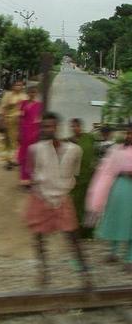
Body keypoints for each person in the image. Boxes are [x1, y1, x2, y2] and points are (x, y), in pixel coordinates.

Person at [26, 112, 91, 288]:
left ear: (58, 127)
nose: (49, 129)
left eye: (52, 125)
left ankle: (84, 274)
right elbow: (31, 173)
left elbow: (74, 174)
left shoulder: (74, 150)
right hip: (41, 196)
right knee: (38, 238)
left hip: (63, 198)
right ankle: (43, 272)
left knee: (72, 237)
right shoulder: (35, 149)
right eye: (45, 126)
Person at [85, 125, 132, 272]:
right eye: (128, 133)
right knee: (116, 219)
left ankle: (130, 258)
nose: (129, 136)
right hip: (118, 187)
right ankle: (113, 252)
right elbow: (106, 169)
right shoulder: (117, 150)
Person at [69, 118, 96, 238]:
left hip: (89, 177)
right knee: (75, 204)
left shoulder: (89, 138)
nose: (75, 128)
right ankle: (76, 230)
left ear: (80, 126)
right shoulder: (70, 142)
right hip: (76, 179)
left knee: (88, 204)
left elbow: (94, 154)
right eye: (72, 126)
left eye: (76, 126)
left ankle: (87, 232)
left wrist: (94, 167)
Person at [17, 85, 43, 186]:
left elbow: (40, 119)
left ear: (36, 94)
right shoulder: (23, 104)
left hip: (34, 132)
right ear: (28, 93)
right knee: (24, 156)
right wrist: (19, 132)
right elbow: (20, 118)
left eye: (34, 92)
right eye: (31, 92)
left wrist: (39, 132)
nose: (32, 94)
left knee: (33, 155)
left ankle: (32, 179)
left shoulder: (39, 105)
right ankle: (25, 179)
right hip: (25, 131)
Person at [0, 80, 27, 170]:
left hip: (22, 123)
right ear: (13, 86)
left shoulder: (25, 96)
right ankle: (9, 161)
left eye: (20, 85)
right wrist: (3, 121)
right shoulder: (8, 95)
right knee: (9, 142)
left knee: (20, 142)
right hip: (10, 122)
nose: (18, 87)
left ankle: (17, 159)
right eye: (17, 85)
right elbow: (3, 109)